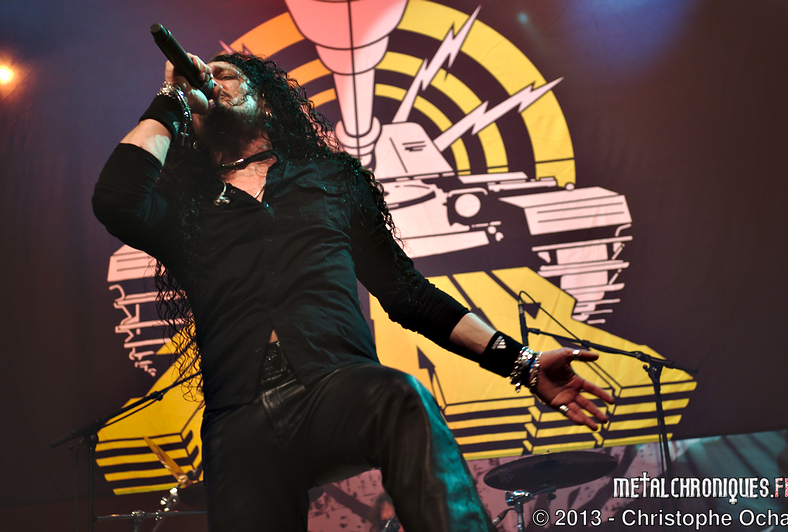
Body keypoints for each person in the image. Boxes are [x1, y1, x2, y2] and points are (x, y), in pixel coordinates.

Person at [93, 51, 614, 532]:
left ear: (267, 103)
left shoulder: (332, 179)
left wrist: (522, 362)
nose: (212, 82)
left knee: (400, 398)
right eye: (203, 82)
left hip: (333, 384)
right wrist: (174, 97)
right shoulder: (181, 207)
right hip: (238, 415)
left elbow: (408, 293)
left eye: (225, 76)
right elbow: (115, 199)